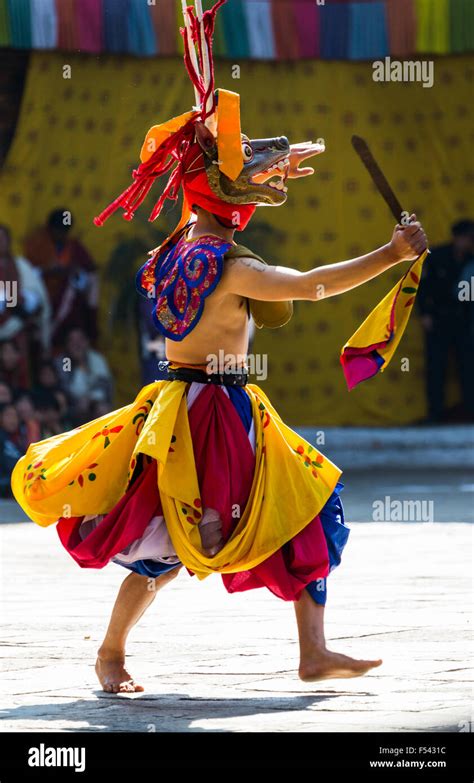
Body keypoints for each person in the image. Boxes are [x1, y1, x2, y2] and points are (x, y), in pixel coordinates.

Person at [11, 0, 428, 694]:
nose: (262, 184)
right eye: (254, 179)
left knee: (167, 545)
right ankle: (303, 648)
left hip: (178, 406)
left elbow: (218, 167)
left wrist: (276, 159)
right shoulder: (235, 267)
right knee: (304, 502)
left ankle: (122, 653)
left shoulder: (178, 248)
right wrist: (390, 252)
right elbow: (315, 286)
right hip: (218, 416)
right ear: (228, 196)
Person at [417, 219, 474, 422]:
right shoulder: (437, 257)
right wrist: (424, 314)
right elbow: (422, 288)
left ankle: (469, 414)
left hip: (463, 322)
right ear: (457, 237)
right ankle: (435, 414)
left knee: (467, 367)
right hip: (438, 319)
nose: (467, 242)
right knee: (436, 367)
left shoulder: (471, 261)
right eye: (466, 237)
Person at [24, 208, 99, 347]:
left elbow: (89, 270)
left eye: (65, 231)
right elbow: (27, 272)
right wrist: (47, 270)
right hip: (42, 296)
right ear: (50, 229)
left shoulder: (74, 247)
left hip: (66, 302)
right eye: (58, 230)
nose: (61, 235)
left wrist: (73, 272)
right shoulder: (37, 244)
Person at [0, 224, 52, 364]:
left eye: (3, 238)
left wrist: (26, 301)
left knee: (20, 367)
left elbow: (37, 295)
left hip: (18, 326)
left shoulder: (19, 265)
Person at [54, 327, 113, 425]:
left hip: (94, 403)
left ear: (86, 342)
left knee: (102, 409)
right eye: (72, 340)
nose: (76, 344)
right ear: (67, 344)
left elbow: (103, 386)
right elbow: (66, 387)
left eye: (80, 340)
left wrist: (89, 398)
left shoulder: (96, 358)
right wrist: (77, 364)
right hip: (72, 406)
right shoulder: (66, 361)